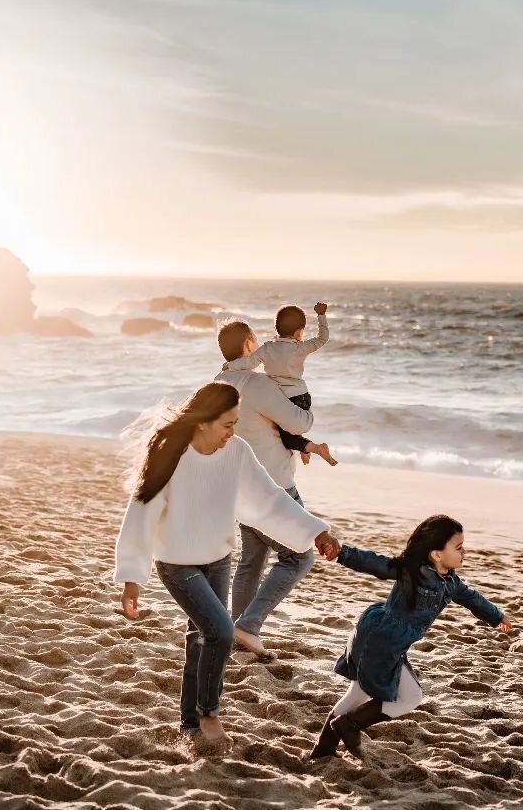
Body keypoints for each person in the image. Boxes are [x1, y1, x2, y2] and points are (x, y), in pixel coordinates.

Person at [114, 381, 341, 753]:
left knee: (200, 640)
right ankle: (208, 712)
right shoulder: (171, 453)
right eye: (226, 424)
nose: (232, 433)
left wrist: (315, 531)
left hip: (218, 559)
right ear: (203, 421)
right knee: (220, 631)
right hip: (177, 563)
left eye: (236, 423)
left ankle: (189, 725)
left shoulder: (236, 451)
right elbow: (141, 511)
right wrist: (132, 577)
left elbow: (267, 497)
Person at [310, 514, 511, 761]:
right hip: (381, 638)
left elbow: (472, 598)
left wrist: (496, 616)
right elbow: (376, 563)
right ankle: (349, 724)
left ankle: (324, 749)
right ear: (436, 554)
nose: (464, 552)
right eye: (459, 547)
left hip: (387, 640)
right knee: (410, 697)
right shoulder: (412, 571)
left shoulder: (451, 583)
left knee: (357, 695)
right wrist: (342, 554)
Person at [215, 320, 325, 658]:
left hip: (239, 485)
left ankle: (237, 630)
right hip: (273, 485)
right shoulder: (257, 383)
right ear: (250, 344)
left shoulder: (218, 382)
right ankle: (249, 625)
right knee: (299, 556)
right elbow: (298, 422)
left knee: (252, 559)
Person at [222, 301, 337, 467]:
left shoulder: (267, 348)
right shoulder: (300, 348)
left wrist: (229, 366)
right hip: (301, 397)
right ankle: (309, 447)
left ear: (277, 329)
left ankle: (309, 447)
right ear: (299, 332)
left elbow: (249, 363)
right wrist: (321, 316)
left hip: (280, 396)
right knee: (285, 431)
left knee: (284, 435)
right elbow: (322, 338)